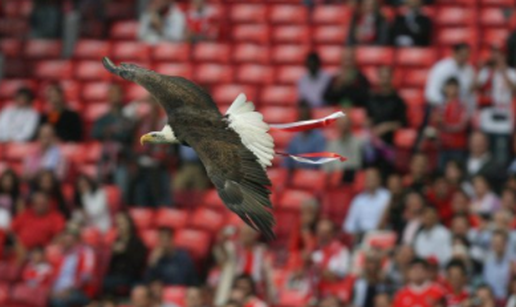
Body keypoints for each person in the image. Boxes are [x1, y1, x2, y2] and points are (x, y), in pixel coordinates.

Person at [474, 46, 516, 166]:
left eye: (499, 54)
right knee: (485, 156)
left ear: (504, 56)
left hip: (504, 122)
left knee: (501, 157)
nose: (496, 57)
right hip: (486, 120)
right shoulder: (486, 72)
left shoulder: (512, 73)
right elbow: (474, 88)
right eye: (494, 54)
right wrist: (480, 71)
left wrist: (504, 73)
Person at [91, 84, 134, 200]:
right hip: (105, 160)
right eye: (111, 93)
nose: (114, 96)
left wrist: (109, 131)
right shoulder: (103, 118)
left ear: (122, 96)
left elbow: (126, 135)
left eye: (117, 93)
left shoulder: (127, 118)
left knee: (122, 194)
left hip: (121, 161)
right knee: (100, 192)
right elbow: (95, 133)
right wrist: (114, 131)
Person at [133, 97, 173, 207]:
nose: (154, 105)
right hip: (144, 165)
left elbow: (168, 146)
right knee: (141, 193)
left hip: (161, 166)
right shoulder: (143, 121)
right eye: (152, 102)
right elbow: (138, 143)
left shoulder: (165, 121)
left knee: (162, 195)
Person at [427, 78, 469, 170]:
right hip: (441, 146)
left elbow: (461, 126)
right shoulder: (439, 107)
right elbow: (432, 126)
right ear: (445, 89)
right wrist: (433, 138)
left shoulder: (462, 107)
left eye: (455, 87)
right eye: (450, 87)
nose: (452, 90)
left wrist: (443, 125)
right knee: (441, 171)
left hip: (457, 146)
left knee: (457, 171)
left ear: (458, 90)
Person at [50, 225, 96, 307]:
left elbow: (85, 276)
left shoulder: (85, 252)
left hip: (78, 290)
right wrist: (51, 290)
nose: (68, 241)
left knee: (58, 302)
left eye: (71, 239)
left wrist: (69, 290)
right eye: (66, 238)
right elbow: (51, 275)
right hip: (57, 290)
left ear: (77, 240)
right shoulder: (60, 253)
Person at [103, 212, 147, 296]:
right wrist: (111, 253)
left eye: (122, 223)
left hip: (131, 277)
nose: (120, 226)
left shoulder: (137, 242)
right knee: (105, 282)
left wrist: (125, 251)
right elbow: (110, 267)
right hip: (116, 276)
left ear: (129, 224)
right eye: (118, 224)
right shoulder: (115, 242)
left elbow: (138, 265)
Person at [425, 43, 475, 114]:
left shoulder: (470, 71)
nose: (463, 58)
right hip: (439, 106)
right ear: (454, 53)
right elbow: (431, 93)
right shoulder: (441, 68)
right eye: (461, 55)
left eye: (466, 55)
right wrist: (444, 106)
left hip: (459, 109)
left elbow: (469, 96)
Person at [344, 168, 391, 238]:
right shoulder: (358, 200)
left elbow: (385, 220)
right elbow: (349, 226)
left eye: (373, 178)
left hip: (380, 234)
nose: (370, 180)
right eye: (368, 178)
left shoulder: (386, 196)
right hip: (361, 235)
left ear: (379, 179)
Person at [366, 66, 407, 146]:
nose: (384, 81)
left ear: (391, 78)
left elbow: (402, 123)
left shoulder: (398, 101)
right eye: (382, 77)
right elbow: (368, 118)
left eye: (387, 77)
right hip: (373, 140)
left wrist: (386, 127)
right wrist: (368, 126)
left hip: (390, 141)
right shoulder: (372, 99)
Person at [312, 219, 350, 295]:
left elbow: (338, 278)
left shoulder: (342, 251)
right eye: (320, 232)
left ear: (333, 234)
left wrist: (318, 270)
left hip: (333, 293)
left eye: (326, 232)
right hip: (313, 291)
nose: (322, 235)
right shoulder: (313, 250)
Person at [283, 104, 326, 170]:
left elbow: (319, 161)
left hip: (312, 174)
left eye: (306, 119)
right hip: (296, 174)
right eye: (302, 120)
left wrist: (302, 165)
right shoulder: (295, 138)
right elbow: (287, 160)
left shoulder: (319, 137)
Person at [322, 116, 363, 182]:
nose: (343, 128)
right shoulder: (331, 144)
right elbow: (325, 167)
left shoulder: (358, 142)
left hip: (351, 178)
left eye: (345, 125)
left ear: (350, 126)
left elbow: (357, 165)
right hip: (334, 179)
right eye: (341, 125)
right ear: (337, 127)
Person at [483, 230, 514, 301]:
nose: (497, 245)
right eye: (494, 242)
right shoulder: (488, 263)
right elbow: (486, 284)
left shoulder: (513, 262)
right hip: (492, 300)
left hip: (509, 298)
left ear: (505, 244)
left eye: (499, 242)